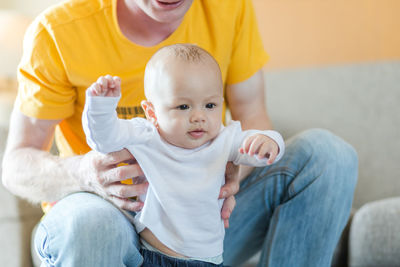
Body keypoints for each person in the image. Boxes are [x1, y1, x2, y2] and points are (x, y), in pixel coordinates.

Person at [1, 0, 358, 266]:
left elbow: (253, 117)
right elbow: (16, 165)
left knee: (329, 157)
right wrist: (85, 173)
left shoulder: (228, 9)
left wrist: (234, 171)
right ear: (150, 112)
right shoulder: (58, 31)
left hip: (203, 223)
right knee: (93, 225)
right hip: (107, 222)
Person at [83, 43, 285, 265]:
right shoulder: (146, 135)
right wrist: (101, 107)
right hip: (154, 253)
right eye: (183, 107)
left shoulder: (225, 138)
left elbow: (259, 153)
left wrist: (269, 143)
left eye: (210, 105)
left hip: (209, 259)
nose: (199, 116)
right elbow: (104, 140)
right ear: (152, 112)